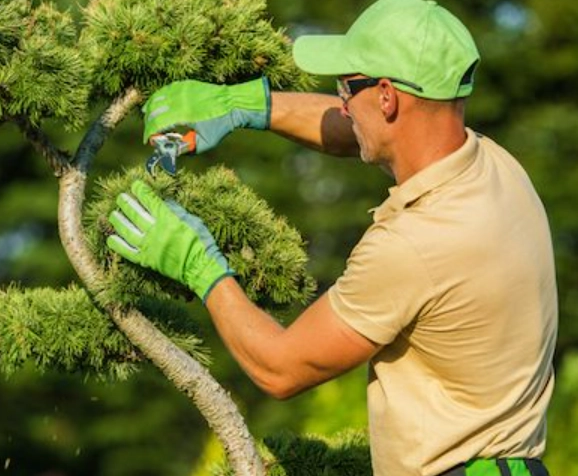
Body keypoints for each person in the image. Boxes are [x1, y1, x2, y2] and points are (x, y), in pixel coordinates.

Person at [105, 0, 557, 474]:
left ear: (387, 96)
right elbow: (369, 132)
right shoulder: (493, 166)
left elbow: (281, 367)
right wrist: (243, 106)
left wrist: (199, 264)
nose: (341, 102)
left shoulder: (416, 243)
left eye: (347, 86)